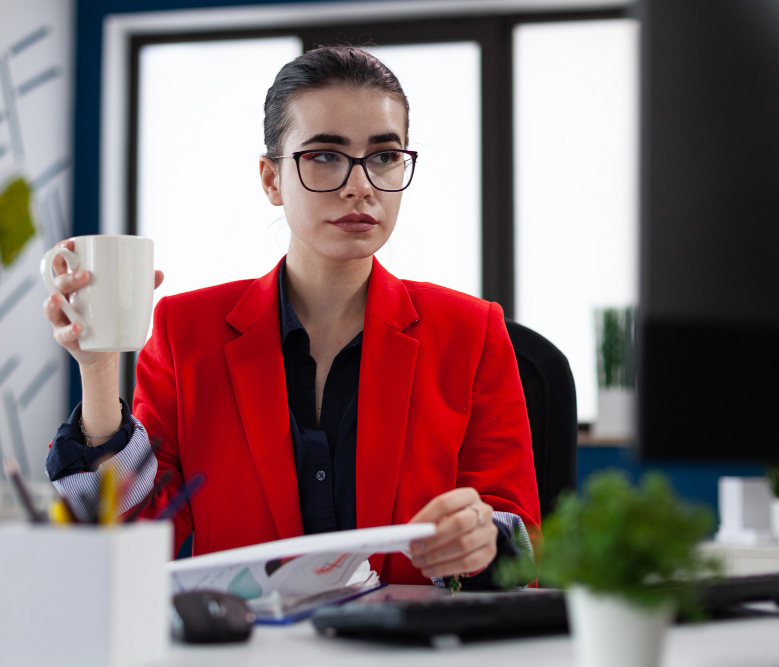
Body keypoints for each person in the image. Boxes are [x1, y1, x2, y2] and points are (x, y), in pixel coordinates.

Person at [43, 45, 540, 588]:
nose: (360, 185)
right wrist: (97, 370)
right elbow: (130, 536)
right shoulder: (186, 332)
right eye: (324, 155)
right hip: (247, 632)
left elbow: (518, 542)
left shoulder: (472, 331)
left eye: (384, 156)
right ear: (271, 180)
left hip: (414, 632)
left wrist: (480, 540)